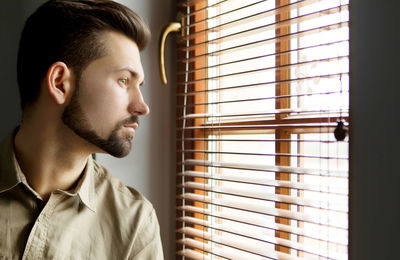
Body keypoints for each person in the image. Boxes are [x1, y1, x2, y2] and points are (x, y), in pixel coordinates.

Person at [0, 0, 164, 259]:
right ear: (60, 83)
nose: (142, 106)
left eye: (139, 84)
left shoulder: (135, 224)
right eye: (124, 80)